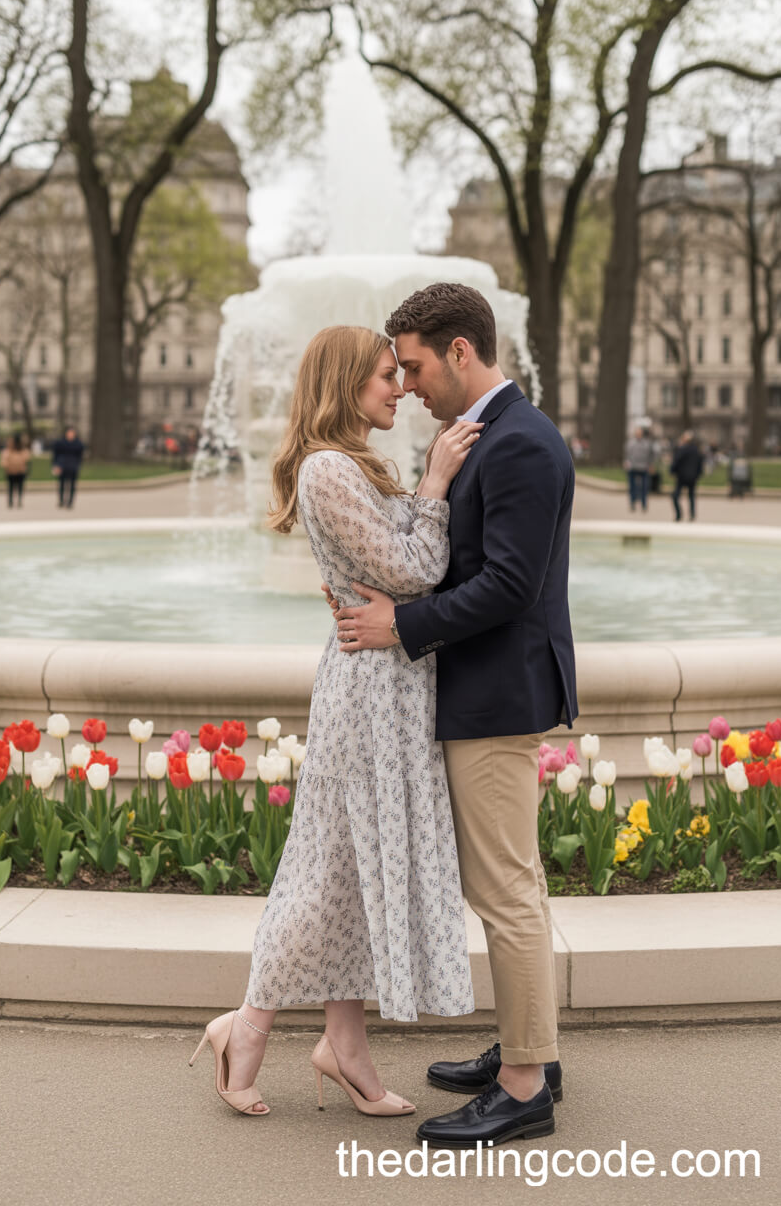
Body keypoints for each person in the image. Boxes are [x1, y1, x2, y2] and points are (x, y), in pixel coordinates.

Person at [188, 325, 478, 1118]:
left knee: (347, 872)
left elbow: (406, 573)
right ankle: (245, 1026)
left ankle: (343, 1046)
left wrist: (414, 516)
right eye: (385, 375)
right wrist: (435, 482)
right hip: (368, 695)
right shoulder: (327, 470)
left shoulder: (352, 466)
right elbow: (418, 568)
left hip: (392, 684)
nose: (399, 389)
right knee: (325, 874)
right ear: (345, 383)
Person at [332, 283, 577, 1149]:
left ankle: (524, 1088)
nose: (407, 384)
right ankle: (531, 1052)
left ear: (461, 352)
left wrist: (401, 625)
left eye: (415, 365)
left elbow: (509, 585)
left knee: (505, 892)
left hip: (497, 693)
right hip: (487, 688)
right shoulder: (493, 435)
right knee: (511, 885)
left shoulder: (520, 443)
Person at [670, 430, 703, 521]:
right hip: (692, 476)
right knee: (691, 496)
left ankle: (679, 514)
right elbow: (700, 464)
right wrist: (698, 474)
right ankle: (692, 514)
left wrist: (672, 471)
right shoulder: (697, 450)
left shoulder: (682, 449)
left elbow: (676, 461)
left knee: (675, 495)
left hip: (682, 476)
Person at [623, 425, 656, 511]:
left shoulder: (647, 443)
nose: (638, 434)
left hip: (644, 467)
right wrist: (626, 462)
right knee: (632, 487)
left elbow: (651, 455)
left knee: (644, 487)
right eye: (637, 433)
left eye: (640, 433)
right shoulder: (630, 443)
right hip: (633, 467)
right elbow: (627, 454)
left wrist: (651, 465)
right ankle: (632, 503)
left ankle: (644, 504)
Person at [50, 426, 84, 508]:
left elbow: (80, 457)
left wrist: (78, 465)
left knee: (72, 485)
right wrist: (55, 465)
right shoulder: (60, 443)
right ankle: (61, 500)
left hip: (73, 466)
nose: (70, 435)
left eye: (72, 433)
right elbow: (55, 455)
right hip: (62, 465)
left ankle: (70, 501)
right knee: (61, 484)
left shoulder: (78, 444)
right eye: (69, 433)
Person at [0, 433, 31, 508]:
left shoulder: (22, 450)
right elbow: (4, 460)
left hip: (19, 471)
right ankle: (11, 500)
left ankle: (18, 500)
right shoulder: (8, 450)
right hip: (11, 471)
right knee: (11, 487)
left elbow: (27, 458)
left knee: (19, 487)